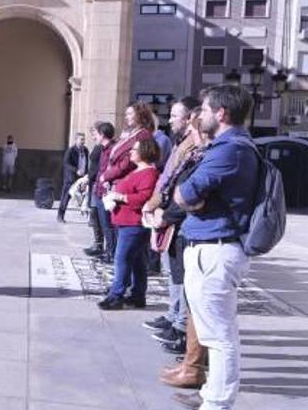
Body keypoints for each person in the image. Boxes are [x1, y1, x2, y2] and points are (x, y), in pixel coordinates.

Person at [172, 84, 259, 410]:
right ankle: (212, 397)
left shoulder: (230, 150)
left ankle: (218, 403)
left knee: (221, 337)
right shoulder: (229, 146)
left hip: (216, 248)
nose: (200, 116)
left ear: (221, 113)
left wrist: (189, 200)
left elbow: (183, 195)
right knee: (215, 333)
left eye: (205, 110)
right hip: (211, 246)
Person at [141, 97, 202, 349]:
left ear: (190, 120)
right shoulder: (183, 145)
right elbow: (169, 180)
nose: (170, 120)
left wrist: (164, 212)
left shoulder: (196, 150)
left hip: (182, 222)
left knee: (182, 278)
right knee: (173, 273)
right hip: (170, 216)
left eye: (175, 115)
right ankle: (174, 318)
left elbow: (184, 188)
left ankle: (180, 327)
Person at [97, 138, 160, 311]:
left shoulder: (149, 173)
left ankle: (116, 296)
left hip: (134, 223)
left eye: (135, 149)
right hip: (125, 221)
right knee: (137, 261)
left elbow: (144, 197)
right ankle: (138, 295)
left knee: (122, 258)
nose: (131, 152)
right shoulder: (137, 170)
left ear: (144, 152)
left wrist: (121, 197)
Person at [96, 101, 155, 263]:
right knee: (116, 230)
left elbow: (128, 162)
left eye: (130, 113)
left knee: (126, 242)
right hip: (118, 183)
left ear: (140, 114)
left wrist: (107, 175)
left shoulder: (142, 135)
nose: (127, 117)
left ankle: (122, 282)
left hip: (129, 185)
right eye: (126, 113)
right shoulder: (131, 133)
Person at [83, 122, 115, 257]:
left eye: (95, 134)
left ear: (102, 134)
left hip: (104, 188)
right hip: (98, 187)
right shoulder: (101, 148)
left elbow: (105, 169)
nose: (93, 137)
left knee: (106, 223)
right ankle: (103, 247)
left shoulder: (110, 148)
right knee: (99, 219)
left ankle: (109, 250)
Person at [57, 132, 89, 222]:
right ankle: (60, 215)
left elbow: (86, 163)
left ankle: (87, 215)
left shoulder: (85, 150)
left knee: (85, 196)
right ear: (76, 140)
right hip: (71, 178)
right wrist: (76, 170)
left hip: (82, 178)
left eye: (84, 139)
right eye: (81, 139)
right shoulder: (71, 150)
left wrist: (86, 173)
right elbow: (66, 164)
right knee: (66, 196)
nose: (83, 141)